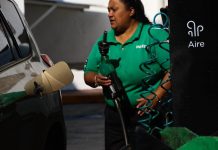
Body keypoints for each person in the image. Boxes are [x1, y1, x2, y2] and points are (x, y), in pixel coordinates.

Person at [84, 0, 171, 149]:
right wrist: (96, 79)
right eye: (108, 10)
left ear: (131, 11)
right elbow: (88, 73)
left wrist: (157, 95)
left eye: (114, 10)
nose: (109, 14)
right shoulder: (105, 40)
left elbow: (173, 69)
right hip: (115, 115)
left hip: (148, 114)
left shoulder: (153, 35)